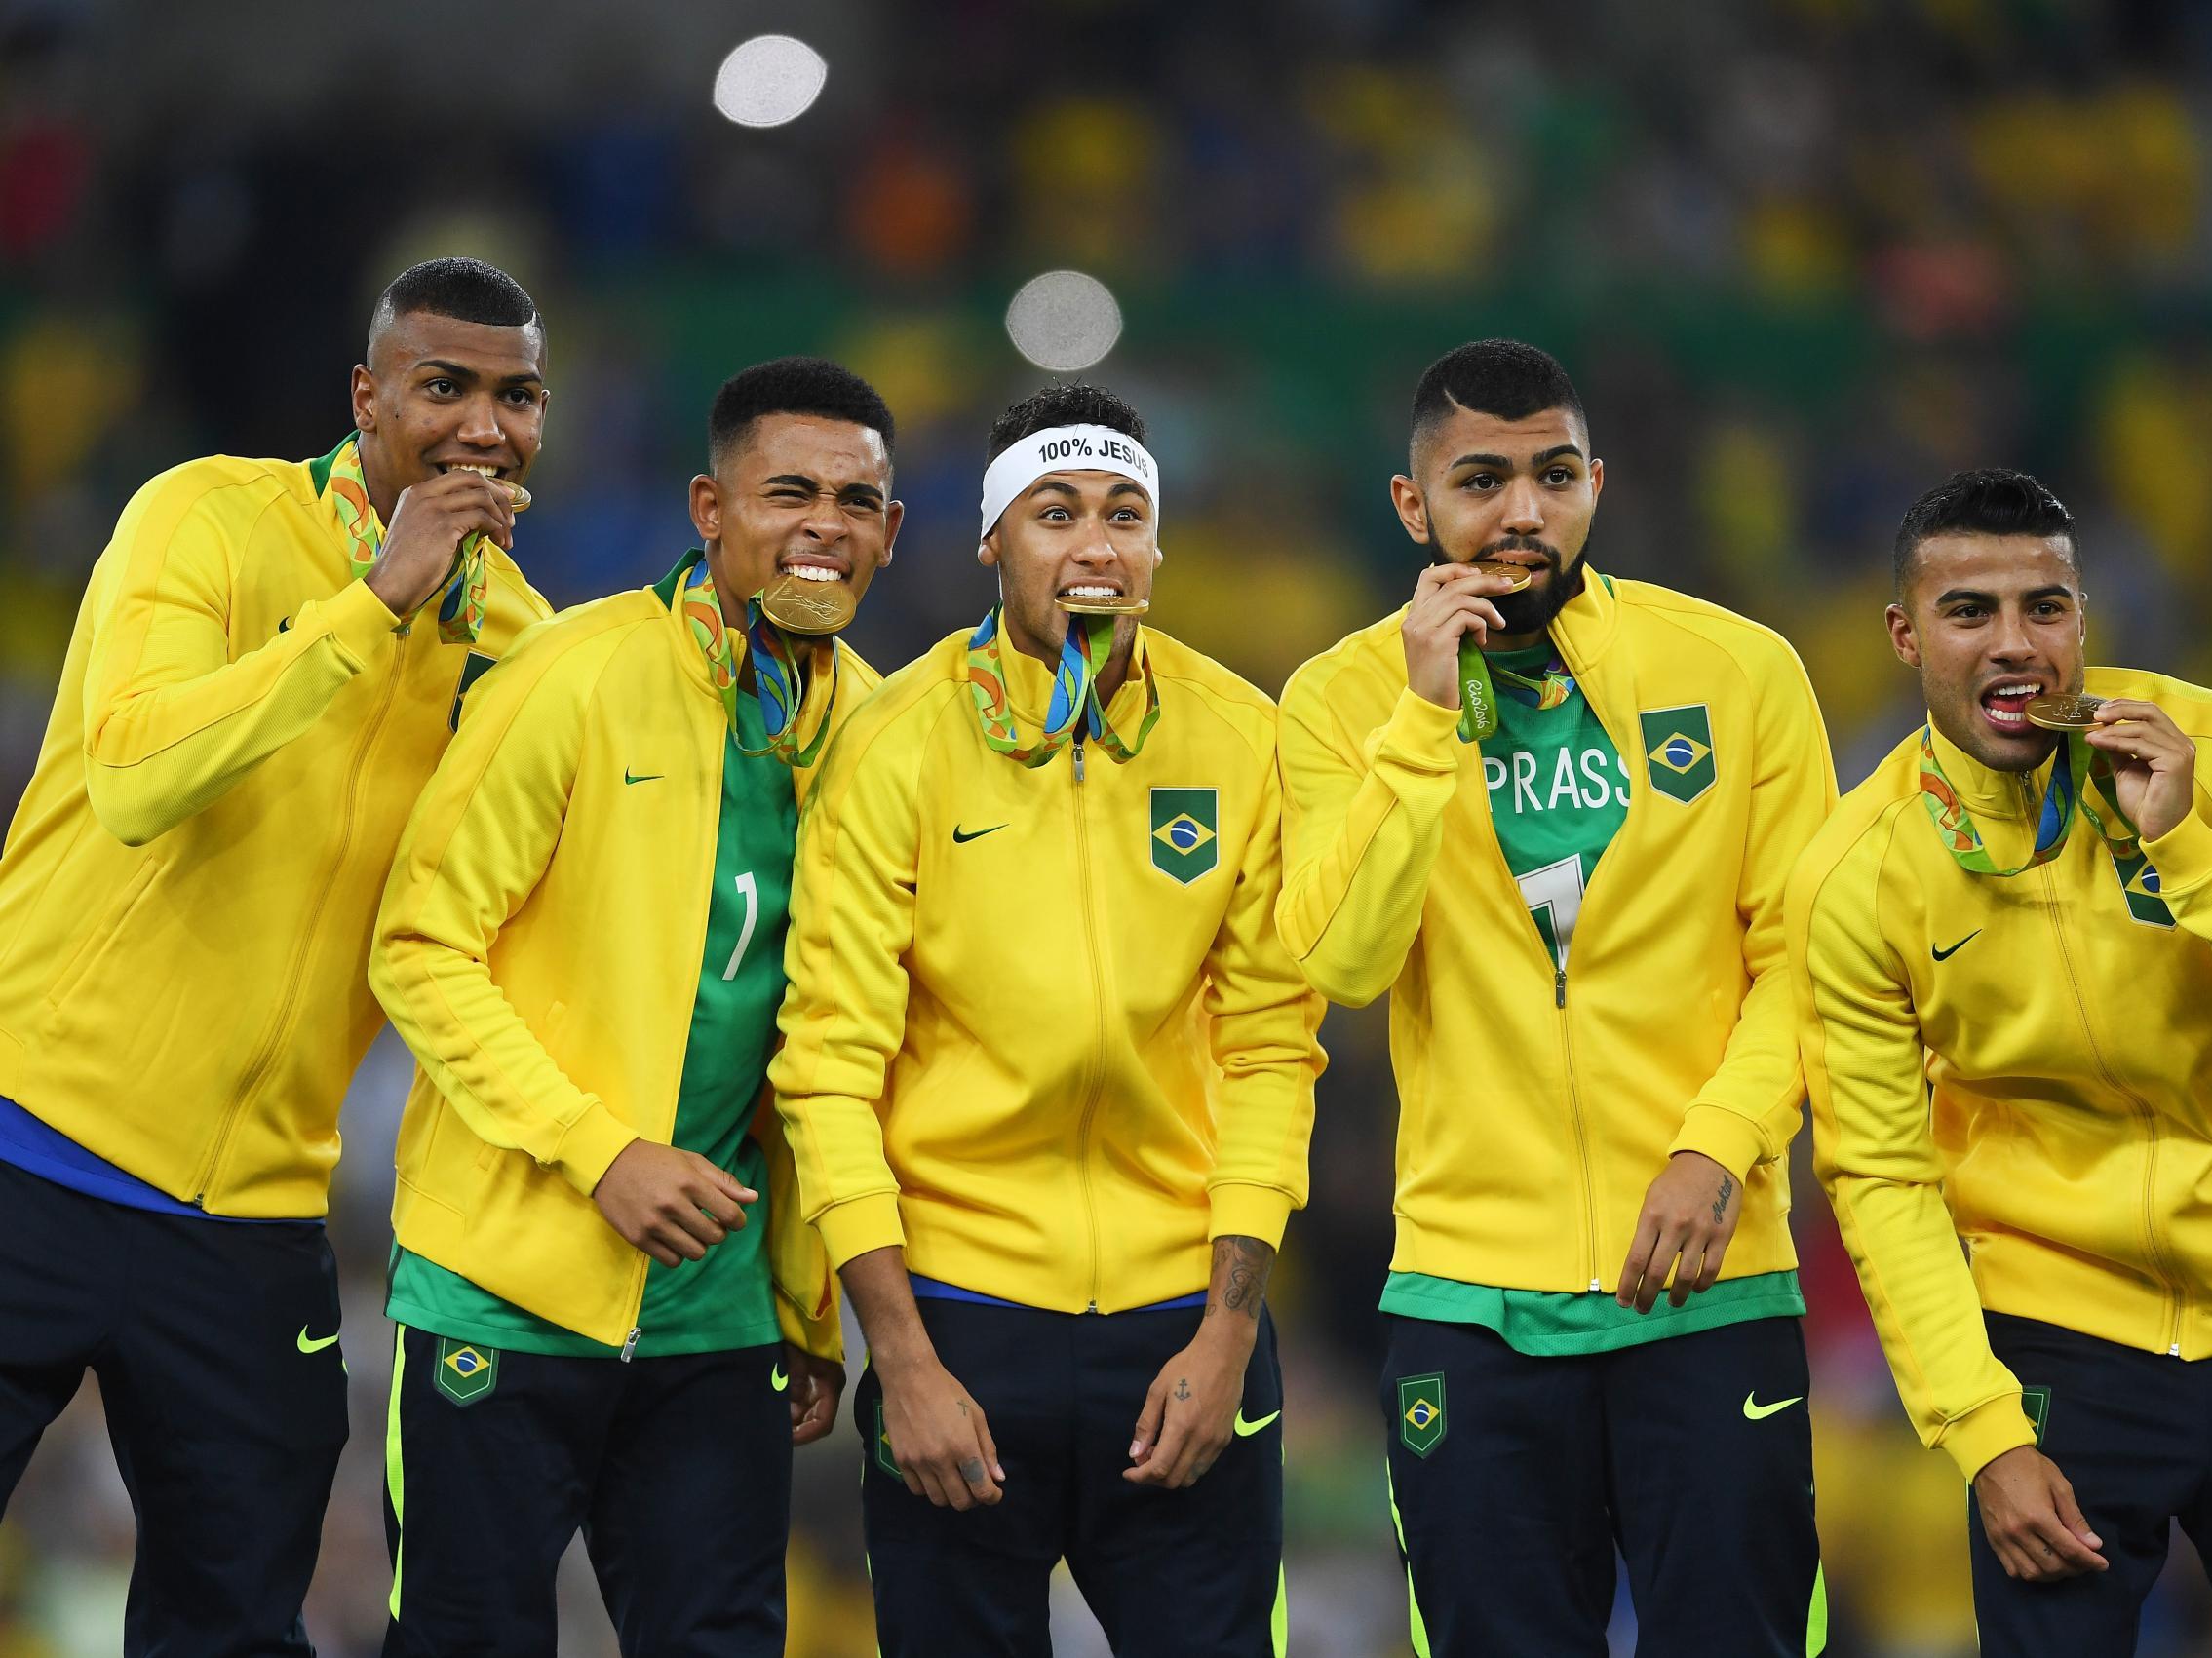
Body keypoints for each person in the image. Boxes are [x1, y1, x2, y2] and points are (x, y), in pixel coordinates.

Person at [0, 255, 551, 1653]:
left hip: (252, 1219)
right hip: (31, 1143)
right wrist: (372, 607)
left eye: (516, 396)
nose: (484, 425)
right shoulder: (206, 516)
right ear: (368, 400)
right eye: (445, 387)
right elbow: (132, 774)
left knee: (238, 1624)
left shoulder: (521, 653)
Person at [1276, 339, 1836, 1655]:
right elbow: (1342, 961)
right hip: (1470, 1299)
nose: (1521, 512)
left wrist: (1720, 1146)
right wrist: (1422, 720)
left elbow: (1808, 963)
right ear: (1415, 507)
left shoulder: (1743, 671)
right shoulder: (1336, 700)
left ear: (1599, 483)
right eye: (1480, 480)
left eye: (1553, 475)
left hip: (1707, 1282)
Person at [770, 381, 1324, 1657]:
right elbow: (829, 1067)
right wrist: (900, 1358)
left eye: (1125, 512)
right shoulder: (893, 744)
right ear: (990, 542)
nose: (1094, 544)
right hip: (962, 1323)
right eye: (1054, 511)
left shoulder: (1246, 740)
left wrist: (1229, 1327)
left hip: (1183, 1321)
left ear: (1158, 545)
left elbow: (1270, 1050)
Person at [369, 358, 898, 1656]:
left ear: (893, 529)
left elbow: (845, 1045)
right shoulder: (570, 672)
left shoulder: (888, 734)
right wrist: (599, 1152)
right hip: (501, 1290)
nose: (823, 524)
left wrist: (810, 1297)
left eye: (857, 499)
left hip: (721, 1317)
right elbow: (420, 947)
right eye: (789, 492)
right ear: (710, 508)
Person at [1789, 467, 2212, 1654]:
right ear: (1904, 635)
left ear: (2084, 617)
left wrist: (2182, 850)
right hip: (2056, 1339)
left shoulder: (2200, 749)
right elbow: (1877, 1177)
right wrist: (1987, 1439)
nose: (2015, 645)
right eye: (1969, 611)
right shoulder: (1854, 871)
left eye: (2047, 607)